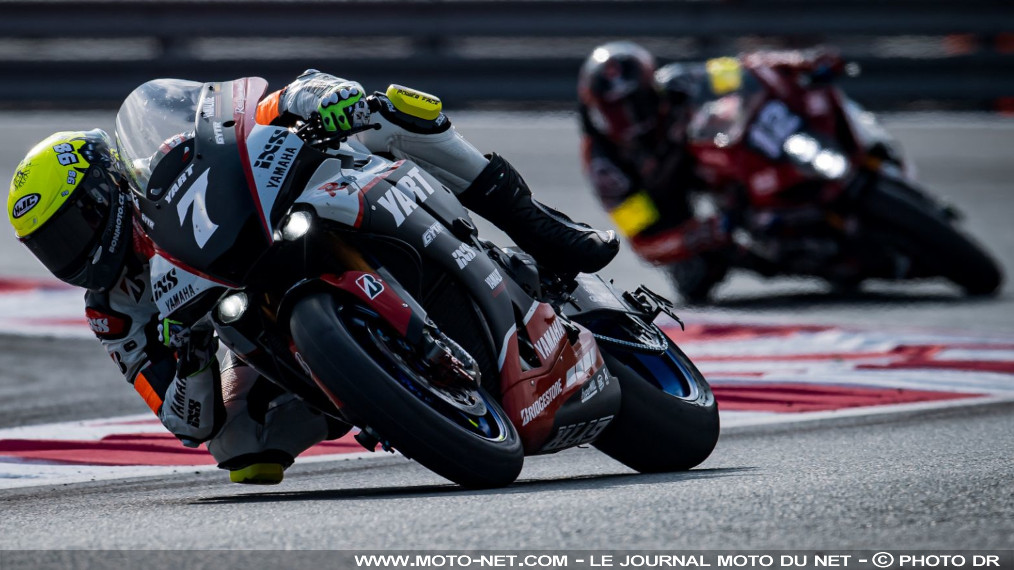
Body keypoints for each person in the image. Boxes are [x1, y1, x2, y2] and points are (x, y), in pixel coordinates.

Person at [6, 70, 620, 484]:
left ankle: (537, 226)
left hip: (294, 207)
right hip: (248, 326)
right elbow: (184, 421)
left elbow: (245, 113)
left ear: (106, 188)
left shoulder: (164, 159)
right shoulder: (111, 308)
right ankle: (370, 389)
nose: (72, 254)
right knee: (240, 450)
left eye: (71, 229)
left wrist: (314, 97)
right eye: (50, 248)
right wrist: (187, 353)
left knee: (388, 114)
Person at [577, 41, 842, 302]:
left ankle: (793, 193)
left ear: (652, 86)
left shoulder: (679, 82)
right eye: (617, 112)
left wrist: (797, 61)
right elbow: (644, 240)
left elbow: (743, 68)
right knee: (694, 276)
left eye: (637, 102)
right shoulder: (605, 165)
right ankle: (774, 255)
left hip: (706, 162)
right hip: (665, 201)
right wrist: (701, 234)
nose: (631, 119)